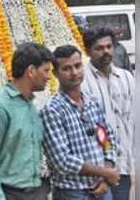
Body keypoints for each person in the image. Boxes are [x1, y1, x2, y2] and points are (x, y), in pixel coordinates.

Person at [41, 45, 120, 200]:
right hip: (72, 193)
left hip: (102, 189)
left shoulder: (92, 101)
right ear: (55, 73)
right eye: (67, 69)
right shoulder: (52, 110)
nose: (74, 73)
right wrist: (104, 173)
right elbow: (62, 160)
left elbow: (107, 138)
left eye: (77, 66)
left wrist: (106, 174)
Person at [0, 42, 53, 200]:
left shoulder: (30, 105)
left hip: (34, 192)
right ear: (31, 71)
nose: (49, 76)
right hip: (7, 193)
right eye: (46, 70)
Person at [82, 28, 135, 200]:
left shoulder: (127, 77)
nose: (106, 51)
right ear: (88, 51)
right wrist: (101, 169)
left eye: (109, 46)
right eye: (99, 48)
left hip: (124, 164)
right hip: (96, 167)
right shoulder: (81, 81)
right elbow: (87, 127)